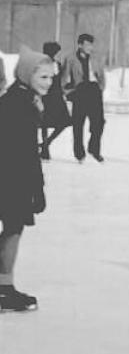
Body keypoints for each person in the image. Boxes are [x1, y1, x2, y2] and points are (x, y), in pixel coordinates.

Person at [0, 48, 54, 312]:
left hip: (13, 176)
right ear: (26, 75)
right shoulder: (18, 103)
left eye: (51, 78)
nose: (49, 83)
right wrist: (36, 188)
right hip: (11, 178)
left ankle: (5, 287)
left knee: (12, 230)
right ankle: (4, 289)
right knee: (12, 230)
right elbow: (24, 152)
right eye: (43, 77)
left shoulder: (21, 99)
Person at [62, 33, 106, 163]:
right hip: (80, 91)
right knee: (78, 124)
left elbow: (102, 76)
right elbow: (64, 78)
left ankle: (94, 148)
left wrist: (100, 88)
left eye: (91, 45)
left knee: (99, 122)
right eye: (87, 44)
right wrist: (67, 92)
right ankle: (79, 153)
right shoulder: (70, 59)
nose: (90, 47)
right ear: (80, 45)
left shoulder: (96, 59)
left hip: (94, 91)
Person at [39, 41, 71, 160]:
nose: (55, 54)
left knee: (64, 122)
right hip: (46, 95)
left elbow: (60, 79)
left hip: (57, 96)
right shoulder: (40, 64)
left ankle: (46, 144)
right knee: (44, 124)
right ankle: (45, 150)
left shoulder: (57, 63)